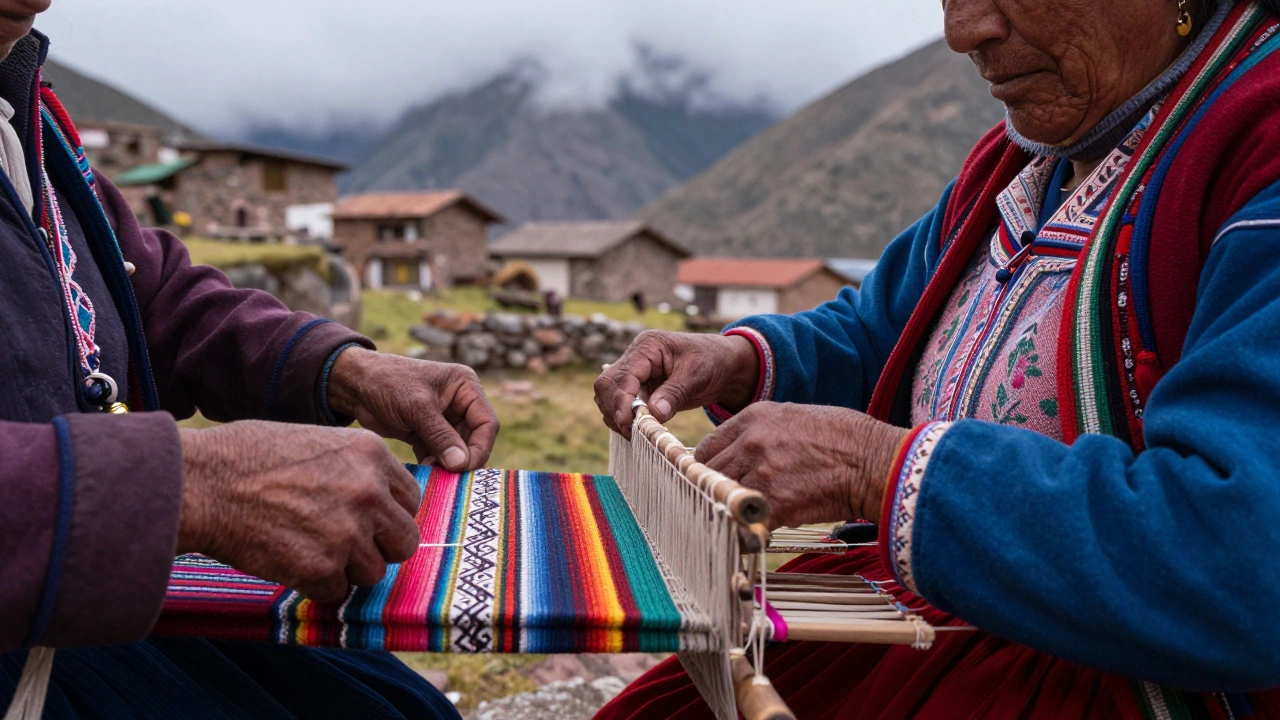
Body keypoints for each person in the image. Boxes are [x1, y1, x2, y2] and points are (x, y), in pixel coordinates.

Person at [595, 0, 1280, 717]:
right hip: (930, 618)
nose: (964, 31)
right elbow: (883, 333)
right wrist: (736, 360)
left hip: (1113, 679)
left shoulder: (1259, 153)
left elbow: (1243, 557)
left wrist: (875, 469)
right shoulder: (1019, 164)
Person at [0, 2, 498, 718]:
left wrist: (338, 367)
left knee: (389, 706)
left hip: (87, 587)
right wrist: (190, 489)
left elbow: (141, 289)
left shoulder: (28, 125)